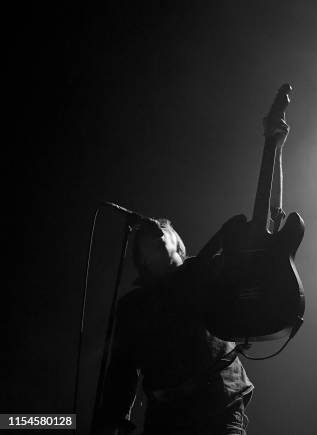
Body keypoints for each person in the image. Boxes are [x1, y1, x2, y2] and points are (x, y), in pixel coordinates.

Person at [93, 91, 291, 435]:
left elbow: (267, 233)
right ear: (139, 256)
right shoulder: (132, 307)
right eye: (147, 233)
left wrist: (274, 147)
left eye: (163, 229)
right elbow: (121, 373)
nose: (155, 229)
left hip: (219, 408)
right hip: (164, 419)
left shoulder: (208, 272)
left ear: (178, 244)